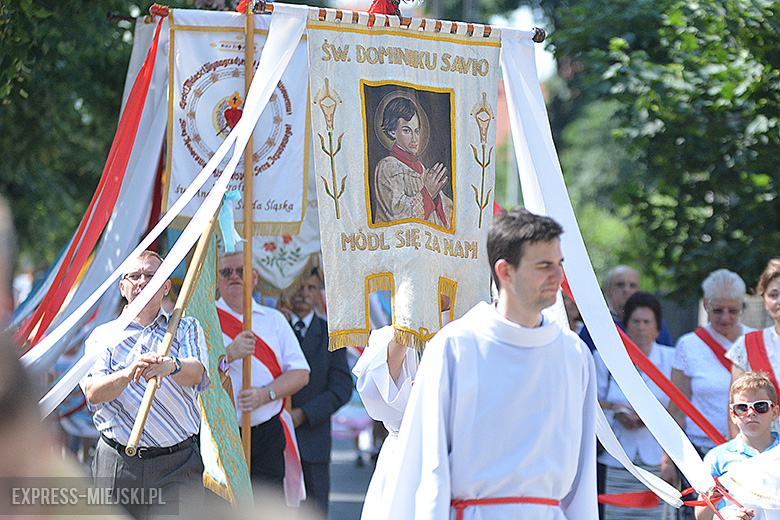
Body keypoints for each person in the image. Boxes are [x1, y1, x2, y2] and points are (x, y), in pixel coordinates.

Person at [382, 207, 597, 520]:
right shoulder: (456, 347)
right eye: (544, 266)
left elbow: (583, 479)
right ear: (505, 271)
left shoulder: (574, 355)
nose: (557, 276)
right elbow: (426, 465)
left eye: (559, 264)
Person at [80, 250, 210, 519]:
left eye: (151, 276)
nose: (142, 282)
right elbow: (93, 393)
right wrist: (128, 373)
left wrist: (171, 366)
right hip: (117, 462)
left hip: (177, 464)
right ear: (123, 287)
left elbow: (197, 373)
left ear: (166, 287)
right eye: (135, 276)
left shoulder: (185, 327)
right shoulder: (102, 336)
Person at [216, 250, 310, 494]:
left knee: (266, 506)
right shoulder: (205, 320)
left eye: (241, 271)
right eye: (226, 272)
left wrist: (265, 394)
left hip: (265, 433)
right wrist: (228, 355)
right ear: (217, 279)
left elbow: (300, 373)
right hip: (219, 434)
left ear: (255, 277)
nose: (234, 276)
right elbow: (192, 372)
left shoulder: (274, 320)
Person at [662, 269, 754, 510]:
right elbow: (677, 407)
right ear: (706, 305)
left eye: (733, 310)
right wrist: (668, 459)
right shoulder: (688, 345)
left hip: (746, 453)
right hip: (699, 453)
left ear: (741, 308)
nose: (725, 317)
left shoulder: (755, 341)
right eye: (718, 310)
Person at [596, 291, 675, 520]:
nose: (641, 327)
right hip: (617, 457)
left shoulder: (671, 359)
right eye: (635, 321)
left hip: (657, 459)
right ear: (625, 325)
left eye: (647, 322)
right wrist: (617, 412)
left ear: (657, 328)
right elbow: (592, 401)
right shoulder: (604, 358)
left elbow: (678, 408)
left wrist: (650, 418)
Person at [287, 268, 353, 517]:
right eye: (298, 287)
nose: (304, 293)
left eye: (311, 288)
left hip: (313, 442)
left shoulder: (331, 334)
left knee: (313, 512)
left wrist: (303, 414)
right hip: (274, 442)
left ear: (318, 294)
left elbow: (342, 388)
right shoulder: (272, 327)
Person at [695, 371, 779, 520]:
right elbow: (701, 516)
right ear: (733, 415)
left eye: (760, 406)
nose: (751, 413)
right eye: (742, 407)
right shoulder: (717, 457)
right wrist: (718, 505)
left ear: (774, 412)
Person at [372, 95, 452, 227]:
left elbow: (448, 211)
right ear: (392, 132)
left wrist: (437, 197)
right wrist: (427, 194)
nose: (414, 139)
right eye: (407, 131)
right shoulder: (388, 167)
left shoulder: (422, 169)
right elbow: (396, 215)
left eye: (417, 131)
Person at [727, 258, 780, 436]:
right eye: (773, 295)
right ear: (764, 300)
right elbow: (735, 411)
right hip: (762, 448)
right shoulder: (747, 345)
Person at [579, 265, 673, 352]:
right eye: (620, 285)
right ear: (608, 291)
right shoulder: (594, 326)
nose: (627, 290)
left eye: (632, 285)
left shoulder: (653, 323)